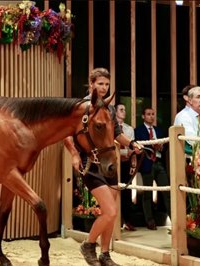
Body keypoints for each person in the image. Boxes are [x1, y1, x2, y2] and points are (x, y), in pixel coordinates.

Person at [64, 68, 143, 266]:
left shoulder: (110, 108)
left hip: (109, 165)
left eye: (107, 84)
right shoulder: (80, 106)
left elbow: (116, 133)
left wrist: (132, 144)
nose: (104, 88)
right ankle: (88, 244)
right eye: (100, 84)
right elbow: (65, 134)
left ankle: (105, 255)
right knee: (111, 212)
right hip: (90, 164)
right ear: (91, 84)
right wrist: (74, 154)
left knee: (110, 213)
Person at [134, 107, 171, 230]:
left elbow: (165, 148)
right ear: (143, 116)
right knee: (147, 194)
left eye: (153, 114)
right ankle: (150, 221)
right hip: (146, 164)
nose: (151, 116)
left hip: (159, 164)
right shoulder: (138, 130)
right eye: (148, 114)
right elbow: (139, 146)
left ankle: (174, 219)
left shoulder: (159, 130)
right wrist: (151, 144)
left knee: (167, 192)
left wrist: (161, 147)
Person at [114, 103, 136, 231]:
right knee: (114, 191)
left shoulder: (129, 129)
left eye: (125, 110)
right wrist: (122, 153)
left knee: (127, 192)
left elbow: (131, 147)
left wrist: (132, 160)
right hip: (114, 163)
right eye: (121, 110)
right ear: (115, 112)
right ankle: (115, 221)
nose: (124, 112)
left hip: (126, 163)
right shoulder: (111, 127)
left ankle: (128, 221)